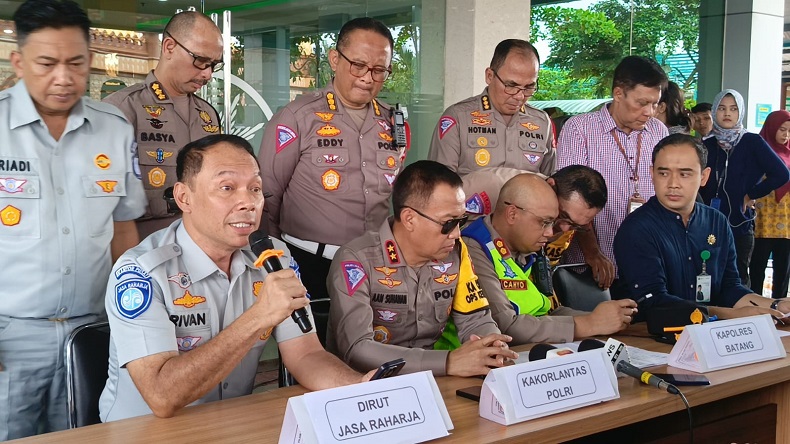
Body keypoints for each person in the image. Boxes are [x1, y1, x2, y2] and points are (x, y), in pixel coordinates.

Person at [99, 135, 371, 422]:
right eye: (227, 188)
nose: (248, 202)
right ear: (183, 197)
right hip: (144, 431)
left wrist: (362, 387)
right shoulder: (140, 271)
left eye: (255, 188)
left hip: (229, 425)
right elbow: (161, 397)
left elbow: (305, 355)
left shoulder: (273, 257)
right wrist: (259, 316)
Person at [0, 0, 146, 439]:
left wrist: (134, 317)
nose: (63, 78)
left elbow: (123, 228)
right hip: (12, 337)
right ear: (19, 61)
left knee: (89, 433)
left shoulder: (114, 127)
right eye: (46, 63)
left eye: (76, 63)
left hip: (93, 330)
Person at [259, 18, 404, 304]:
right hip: (307, 262)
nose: (367, 77)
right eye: (358, 65)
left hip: (372, 264)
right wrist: (275, 263)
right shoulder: (297, 117)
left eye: (379, 70)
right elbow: (266, 197)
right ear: (335, 59)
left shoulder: (392, 122)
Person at [327, 160, 518, 377]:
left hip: (433, 380)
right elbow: (357, 349)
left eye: (461, 222)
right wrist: (447, 363)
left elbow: (475, 318)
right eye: (447, 223)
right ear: (409, 219)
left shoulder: (456, 252)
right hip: (363, 387)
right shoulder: (356, 260)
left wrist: (492, 348)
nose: (456, 233)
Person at [614, 134, 789, 319]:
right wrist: (730, 315)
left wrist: (775, 305)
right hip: (652, 337)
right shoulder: (636, 229)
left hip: (710, 334)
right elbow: (655, 303)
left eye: (685, 174)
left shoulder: (717, 222)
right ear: (651, 174)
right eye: (663, 173)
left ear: (704, 177)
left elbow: (730, 287)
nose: (673, 184)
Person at [461, 173, 637, 345]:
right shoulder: (473, 248)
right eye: (544, 223)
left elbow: (548, 314)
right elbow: (505, 325)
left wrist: (604, 318)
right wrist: (589, 324)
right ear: (512, 214)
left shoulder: (529, 246)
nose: (552, 233)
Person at [104, 11, 223, 239]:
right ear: (169, 47)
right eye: (200, 61)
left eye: (213, 65)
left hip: (202, 246)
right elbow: (107, 199)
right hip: (145, 246)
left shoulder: (207, 113)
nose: (207, 74)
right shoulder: (122, 108)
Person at [557, 55, 669, 289]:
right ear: (618, 93)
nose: (649, 111)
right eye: (641, 103)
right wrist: (593, 253)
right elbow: (569, 199)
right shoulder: (580, 129)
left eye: (655, 103)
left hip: (646, 266)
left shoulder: (658, 132)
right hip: (591, 268)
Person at [698, 89, 789, 288]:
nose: (727, 113)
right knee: (705, 277)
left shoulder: (752, 141)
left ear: (741, 113)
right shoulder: (706, 144)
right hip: (706, 223)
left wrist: (751, 194)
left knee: (737, 279)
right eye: (721, 108)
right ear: (715, 111)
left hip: (739, 223)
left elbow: (781, 174)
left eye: (733, 109)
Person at [427, 39, 555, 176]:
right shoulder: (458, 117)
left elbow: (551, 181)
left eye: (529, 87)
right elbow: (438, 184)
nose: (519, 96)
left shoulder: (541, 122)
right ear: (489, 76)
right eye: (511, 86)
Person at [751, 110, 790, 299]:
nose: (786, 135)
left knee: (783, 268)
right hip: (763, 219)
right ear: (772, 127)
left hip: (786, 220)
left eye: (789, 131)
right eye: (782, 129)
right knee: (757, 265)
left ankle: (781, 308)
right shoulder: (759, 151)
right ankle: (755, 306)